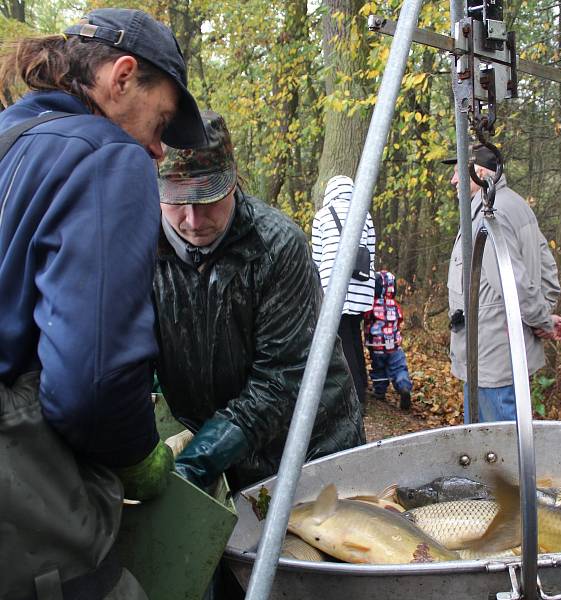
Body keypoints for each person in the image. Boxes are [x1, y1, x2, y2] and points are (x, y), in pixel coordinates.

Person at [0, 8, 206, 599]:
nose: (160, 151)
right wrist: (136, 454)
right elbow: (92, 381)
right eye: (162, 122)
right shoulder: (103, 156)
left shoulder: (13, 142)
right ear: (121, 78)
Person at [154, 111, 365, 494]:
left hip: (311, 449)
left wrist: (198, 461)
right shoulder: (139, 245)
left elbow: (281, 377)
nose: (193, 219)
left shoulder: (277, 246)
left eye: (207, 199)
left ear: (232, 181)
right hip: (222, 455)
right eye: (177, 201)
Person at [444, 145, 561, 423]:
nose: (453, 181)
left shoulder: (490, 214)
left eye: (457, 173)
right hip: (502, 351)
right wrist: (542, 317)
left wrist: (542, 321)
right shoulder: (516, 204)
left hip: (492, 354)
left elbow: (513, 283)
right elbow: (548, 270)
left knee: (496, 449)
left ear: (480, 173)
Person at [311, 175, 376, 408]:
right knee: (354, 337)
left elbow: (316, 259)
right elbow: (371, 256)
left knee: (341, 341)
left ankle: (354, 397)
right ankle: (362, 389)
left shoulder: (322, 216)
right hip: (360, 289)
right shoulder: (365, 216)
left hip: (333, 289)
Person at [364, 270, 413, 410]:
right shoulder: (396, 306)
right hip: (394, 345)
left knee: (378, 368)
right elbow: (400, 319)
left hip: (377, 346)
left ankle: (380, 391)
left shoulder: (371, 305)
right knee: (399, 367)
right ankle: (403, 386)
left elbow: (366, 318)